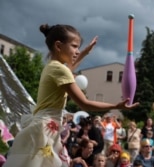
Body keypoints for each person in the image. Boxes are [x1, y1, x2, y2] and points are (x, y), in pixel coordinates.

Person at [3, 24, 139, 167]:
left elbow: (70, 68)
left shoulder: (52, 66)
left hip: (45, 127)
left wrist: (85, 52)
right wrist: (116, 106)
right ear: (58, 46)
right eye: (74, 46)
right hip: (45, 131)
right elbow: (84, 103)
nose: (77, 51)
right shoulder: (60, 70)